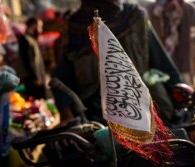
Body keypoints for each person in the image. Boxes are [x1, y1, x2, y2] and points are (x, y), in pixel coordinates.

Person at [52, 0, 183, 126]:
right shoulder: (73, 29)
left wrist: (183, 105)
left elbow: (163, 64)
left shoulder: (135, 17)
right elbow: (61, 81)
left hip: (145, 113)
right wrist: (66, 114)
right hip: (98, 121)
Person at [142, 0, 195, 86]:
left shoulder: (151, 9)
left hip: (163, 69)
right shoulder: (152, 10)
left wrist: (192, 39)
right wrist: (193, 40)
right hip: (170, 69)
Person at [17, 17, 46, 99]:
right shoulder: (25, 40)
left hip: (36, 78)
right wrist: (35, 77)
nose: (41, 29)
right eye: (39, 26)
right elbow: (28, 60)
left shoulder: (32, 39)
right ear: (33, 26)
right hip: (31, 80)